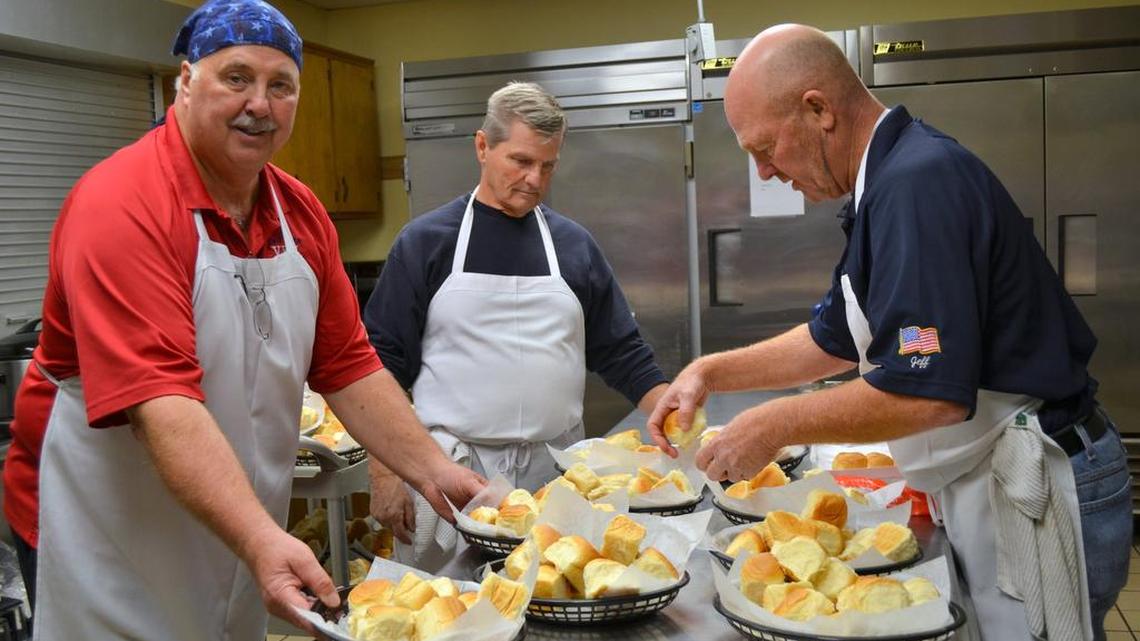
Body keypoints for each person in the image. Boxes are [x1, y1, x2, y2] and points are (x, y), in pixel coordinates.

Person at [0, 1, 485, 638]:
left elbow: (347, 364)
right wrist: (260, 536)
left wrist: (435, 470)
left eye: (280, 85)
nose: (259, 103)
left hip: (222, 519)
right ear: (185, 79)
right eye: (236, 77)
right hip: (103, 528)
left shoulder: (299, 213)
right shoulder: (123, 204)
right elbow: (161, 401)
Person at [648, 24, 1130, 641]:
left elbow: (928, 390)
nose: (764, 172)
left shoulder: (917, 184)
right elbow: (833, 338)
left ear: (818, 109)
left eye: (764, 148)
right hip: (992, 478)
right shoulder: (884, 184)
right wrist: (707, 372)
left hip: (1050, 482)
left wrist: (773, 424)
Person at [364, 81, 669, 569]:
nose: (535, 179)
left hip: (558, 479)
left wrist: (672, 415)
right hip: (449, 477)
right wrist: (384, 475)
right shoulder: (426, 243)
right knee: (447, 613)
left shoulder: (574, 245)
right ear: (483, 147)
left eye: (548, 166)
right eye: (521, 162)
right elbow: (378, 367)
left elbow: (621, 351)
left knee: (557, 603)